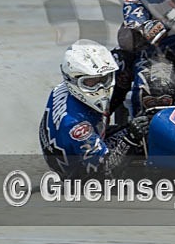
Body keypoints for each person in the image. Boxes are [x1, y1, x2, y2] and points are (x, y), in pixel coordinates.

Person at [39, 39, 151, 179]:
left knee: (124, 61)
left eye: (104, 79)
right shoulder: (77, 127)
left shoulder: (66, 87)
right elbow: (104, 171)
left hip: (76, 143)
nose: (101, 88)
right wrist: (130, 138)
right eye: (91, 82)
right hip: (82, 175)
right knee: (146, 133)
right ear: (73, 80)